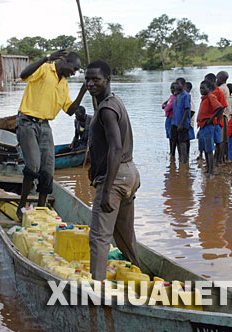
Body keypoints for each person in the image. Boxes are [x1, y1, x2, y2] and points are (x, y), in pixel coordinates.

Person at [15, 50, 87, 220]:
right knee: (33, 166)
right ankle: (21, 205)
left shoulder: (64, 84)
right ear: (65, 61)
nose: (73, 73)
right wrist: (46, 57)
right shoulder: (45, 69)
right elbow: (24, 74)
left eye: (77, 71)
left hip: (45, 126)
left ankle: (41, 209)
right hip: (27, 122)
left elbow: (70, 111)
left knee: (47, 171)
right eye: (74, 68)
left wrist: (83, 92)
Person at [85, 59, 141, 281]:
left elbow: (116, 148)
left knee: (99, 237)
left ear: (108, 80)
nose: (90, 84)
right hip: (130, 174)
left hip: (115, 178)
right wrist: (94, 167)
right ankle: (138, 273)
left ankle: (96, 288)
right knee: (124, 235)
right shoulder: (113, 102)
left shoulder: (107, 109)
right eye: (87, 79)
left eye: (96, 79)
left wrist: (107, 189)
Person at [197, 80, 224, 177]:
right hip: (203, 126)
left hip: (209, 126)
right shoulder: (204, 99)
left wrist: (213, 119)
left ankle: (211, 171)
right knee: (204, 149)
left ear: (209, 88)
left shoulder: (210, 97)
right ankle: (208, 168)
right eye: (200, 88)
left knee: (209, 150)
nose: (201, 90)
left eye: (203, 88)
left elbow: (220, 108)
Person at [205, 73, 228, 164]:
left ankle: (219, 159)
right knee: (214, 140)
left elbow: (221, 107)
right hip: (211, 120)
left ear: (212, 81)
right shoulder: (210, 92)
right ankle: (215, 158)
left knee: (220, 140)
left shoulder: (219, 92)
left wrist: (217, 120)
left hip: (219, 119)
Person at [171, 77, 191, 163]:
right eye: (175, 83)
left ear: (183, 85)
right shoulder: (177, 95)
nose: (176, 85)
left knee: (182, 142)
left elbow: (187, 110)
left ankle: (184, 161)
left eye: (178, 83)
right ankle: (180, 160)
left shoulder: (186, 95)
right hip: (175, 123)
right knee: (176, 141)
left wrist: (182, 124)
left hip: (182, 124)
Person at [162, 83, 176, 158]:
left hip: (172, 118)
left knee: (172, 136)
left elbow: (167, 108)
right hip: (168, 119)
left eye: (173, 88)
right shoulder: (171, 97)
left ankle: (172, 152)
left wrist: (165, 106)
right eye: (171, 88)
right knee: (169, 136)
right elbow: (163, 104)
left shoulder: (174, 98)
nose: (172, 90)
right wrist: (165, 105)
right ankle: (171, 152)